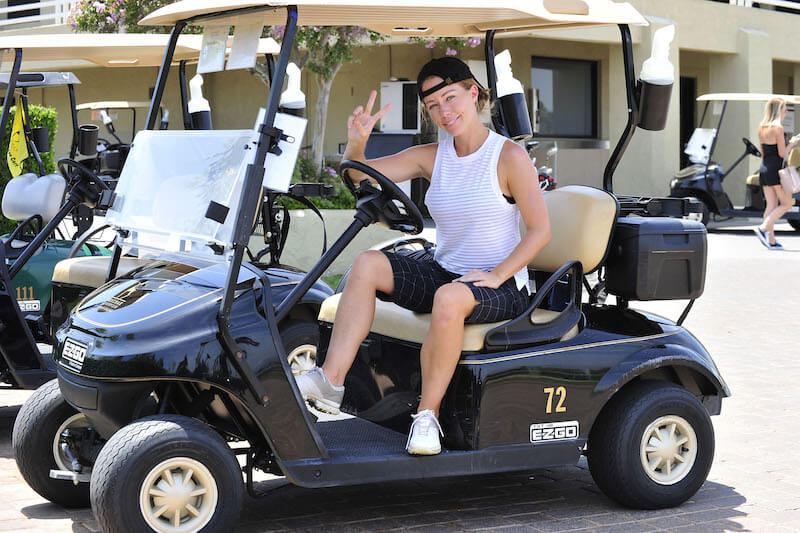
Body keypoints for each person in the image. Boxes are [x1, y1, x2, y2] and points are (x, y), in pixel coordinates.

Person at [296, 57, 551, 455]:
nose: (445, 112)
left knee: (449, 298)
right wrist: (358, 142)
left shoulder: (508, 158)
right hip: (445, 270)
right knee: (367, 264)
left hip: (500, 285)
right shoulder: (432, 156)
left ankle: (426, 417)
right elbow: (360, 176)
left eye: (451, 98)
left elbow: (541, 231)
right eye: (434, 106)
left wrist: (499, 275)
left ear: (474, 93)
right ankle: (331, 380)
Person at [754, 97, 799, 250]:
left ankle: (771, 241)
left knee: (771, 205)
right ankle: (763, 228)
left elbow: (762, 153)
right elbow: (782, 154)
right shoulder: (778, 128)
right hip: (776, 171)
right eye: (785, 109)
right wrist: (792, 143)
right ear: (779, 110)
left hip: (764, 168)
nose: (786, 112)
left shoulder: (761, 127)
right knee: (786, 204)